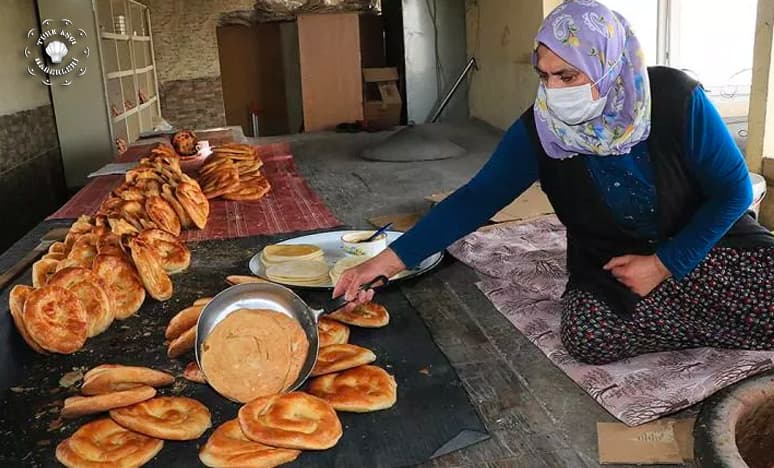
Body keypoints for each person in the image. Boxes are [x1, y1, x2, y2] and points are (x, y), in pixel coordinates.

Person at [333, 0, 774, 365]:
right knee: (588, 336)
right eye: (544, 75)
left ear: (609, 66)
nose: (555, 91)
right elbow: (476, 198)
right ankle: (717, 311)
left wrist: (664, 265)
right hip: (613, 262)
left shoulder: (676, 99)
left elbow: (734, 191)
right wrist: (387, 261)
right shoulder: (541, 130)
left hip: (707, 242)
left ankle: (691, 301)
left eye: (569, 76)